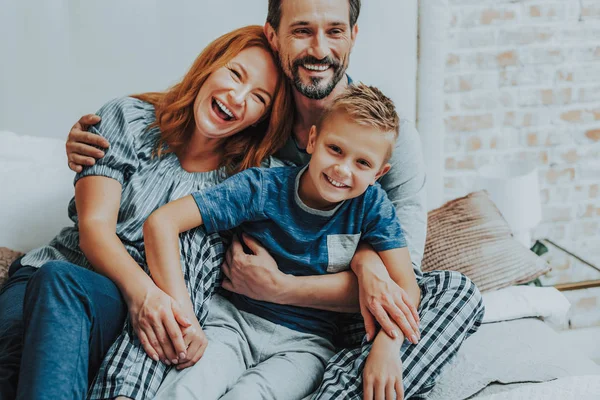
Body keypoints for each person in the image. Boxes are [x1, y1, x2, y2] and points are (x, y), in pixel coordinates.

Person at [65, 1, 485, 398]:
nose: (319, 49)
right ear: (274, 35)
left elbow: (401, 281)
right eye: (302, 30)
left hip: (340, 318)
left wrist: (328, 274)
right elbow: (183, 130)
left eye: (334, 31)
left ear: (353, 36)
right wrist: (103, 137)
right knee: (194, 242)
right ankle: (131, 386)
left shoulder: (392, 139)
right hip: (237, 301)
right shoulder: (255, 118)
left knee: (457, 292)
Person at [0, 25, 294, 400]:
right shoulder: (128, 119)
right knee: (16, 354)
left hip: (118, 317)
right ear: (209, 66)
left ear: (262, 119)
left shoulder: (250, 180)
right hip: (55, 277)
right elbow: (94, 228)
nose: (237, 98)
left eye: (259, 98)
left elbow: (331, 210)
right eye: (235, 73)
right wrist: (144, 296)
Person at [133, 84, 418, 400]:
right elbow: (162, 221)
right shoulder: (262, 188)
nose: (342, 169)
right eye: (334, 149)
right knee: (186, 389)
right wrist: (184, 317)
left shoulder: (372, 207)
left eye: (362, 163)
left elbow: (407, 286)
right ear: (312, 141)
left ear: (380, 173)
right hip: (232, 323)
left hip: (305, 346)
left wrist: (387, 346)